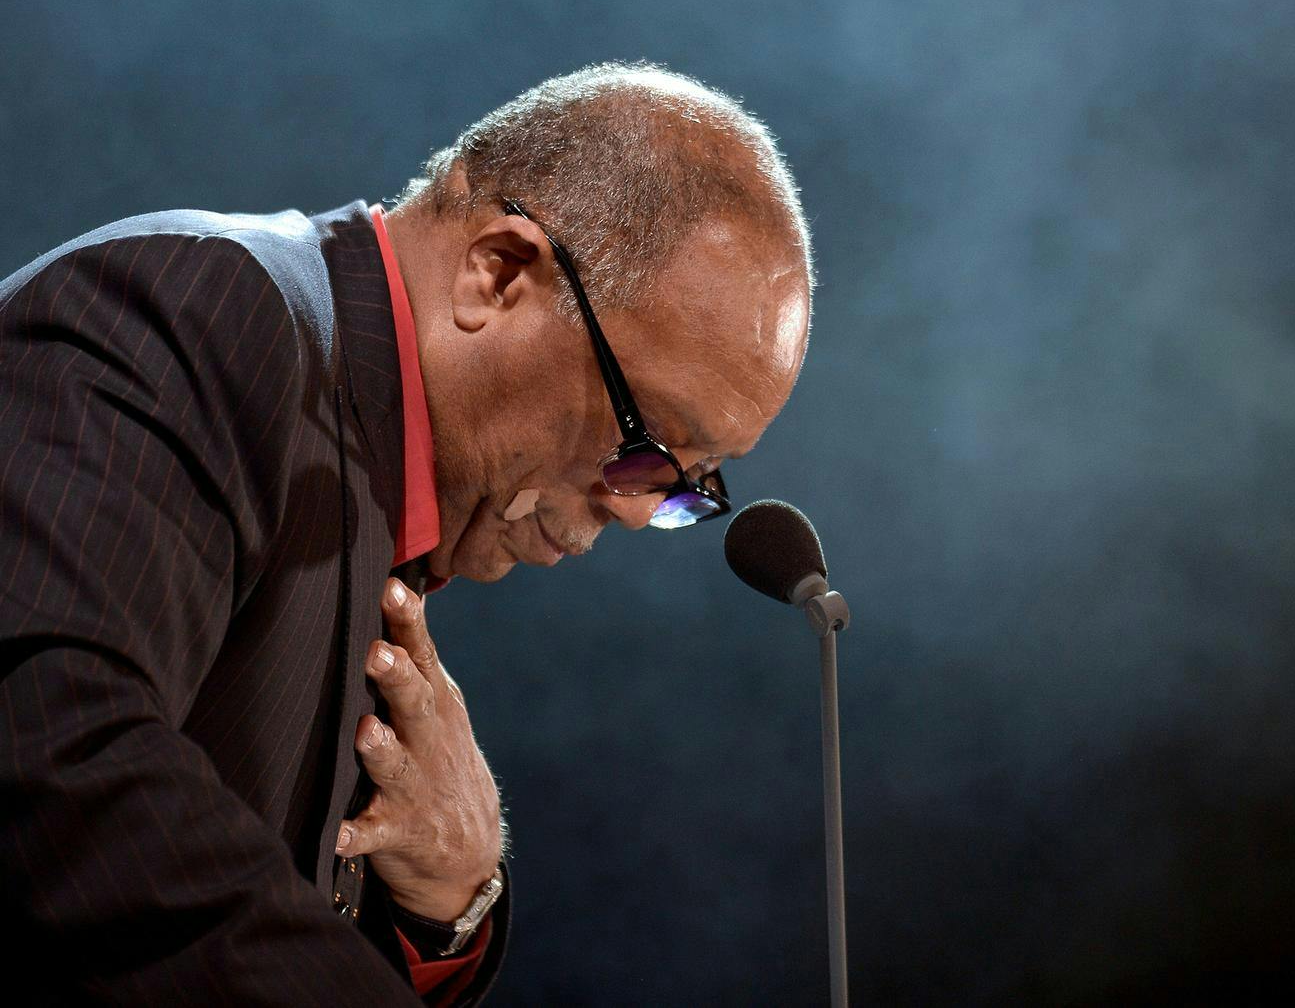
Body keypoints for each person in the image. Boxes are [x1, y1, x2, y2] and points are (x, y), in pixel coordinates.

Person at [0, 63, 815, 1003]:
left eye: (689, 484)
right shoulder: (202, 314)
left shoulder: (380, 490)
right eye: (647, 443)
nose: (637, 508)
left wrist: (447, 905)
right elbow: (46, 744)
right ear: (499, 272)